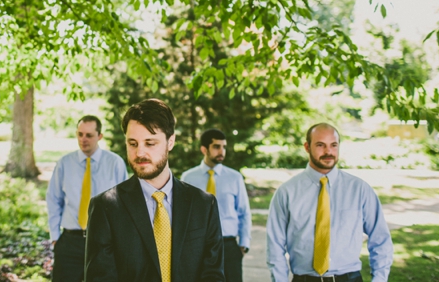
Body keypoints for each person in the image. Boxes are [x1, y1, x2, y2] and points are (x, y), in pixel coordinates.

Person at [85, 98, 225, 282]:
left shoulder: (204, 205)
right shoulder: (105, 207)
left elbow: (213, 275)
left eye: (150, 143)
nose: (140, 153)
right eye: (133, 144)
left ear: (170, 142)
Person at [266, 123, 393, 282]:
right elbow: (275, 247)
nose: (328, 151)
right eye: (320, 145)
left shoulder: (359, 190)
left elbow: (380, 239)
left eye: (333, 145)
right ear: (307, 147)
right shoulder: (286, 192)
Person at [46, 115, 128, 282]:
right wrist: (55, 237)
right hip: (70, 242)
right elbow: (54, 199)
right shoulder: (64, 163)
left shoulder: (115, 163)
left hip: (103, 242)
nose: (83, 139)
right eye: (80, 134)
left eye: (89, 135)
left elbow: (123, 205)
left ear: (100, 136)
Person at [181, 129, 251, 282]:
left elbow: (244, 212)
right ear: (204, 149)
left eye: (224, 147)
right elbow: (182, 214)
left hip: (229, 246)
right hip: (198, 246)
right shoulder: (188, 177)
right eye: (217, 147)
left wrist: (244, 244)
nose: (222, 151)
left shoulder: (234, 177)